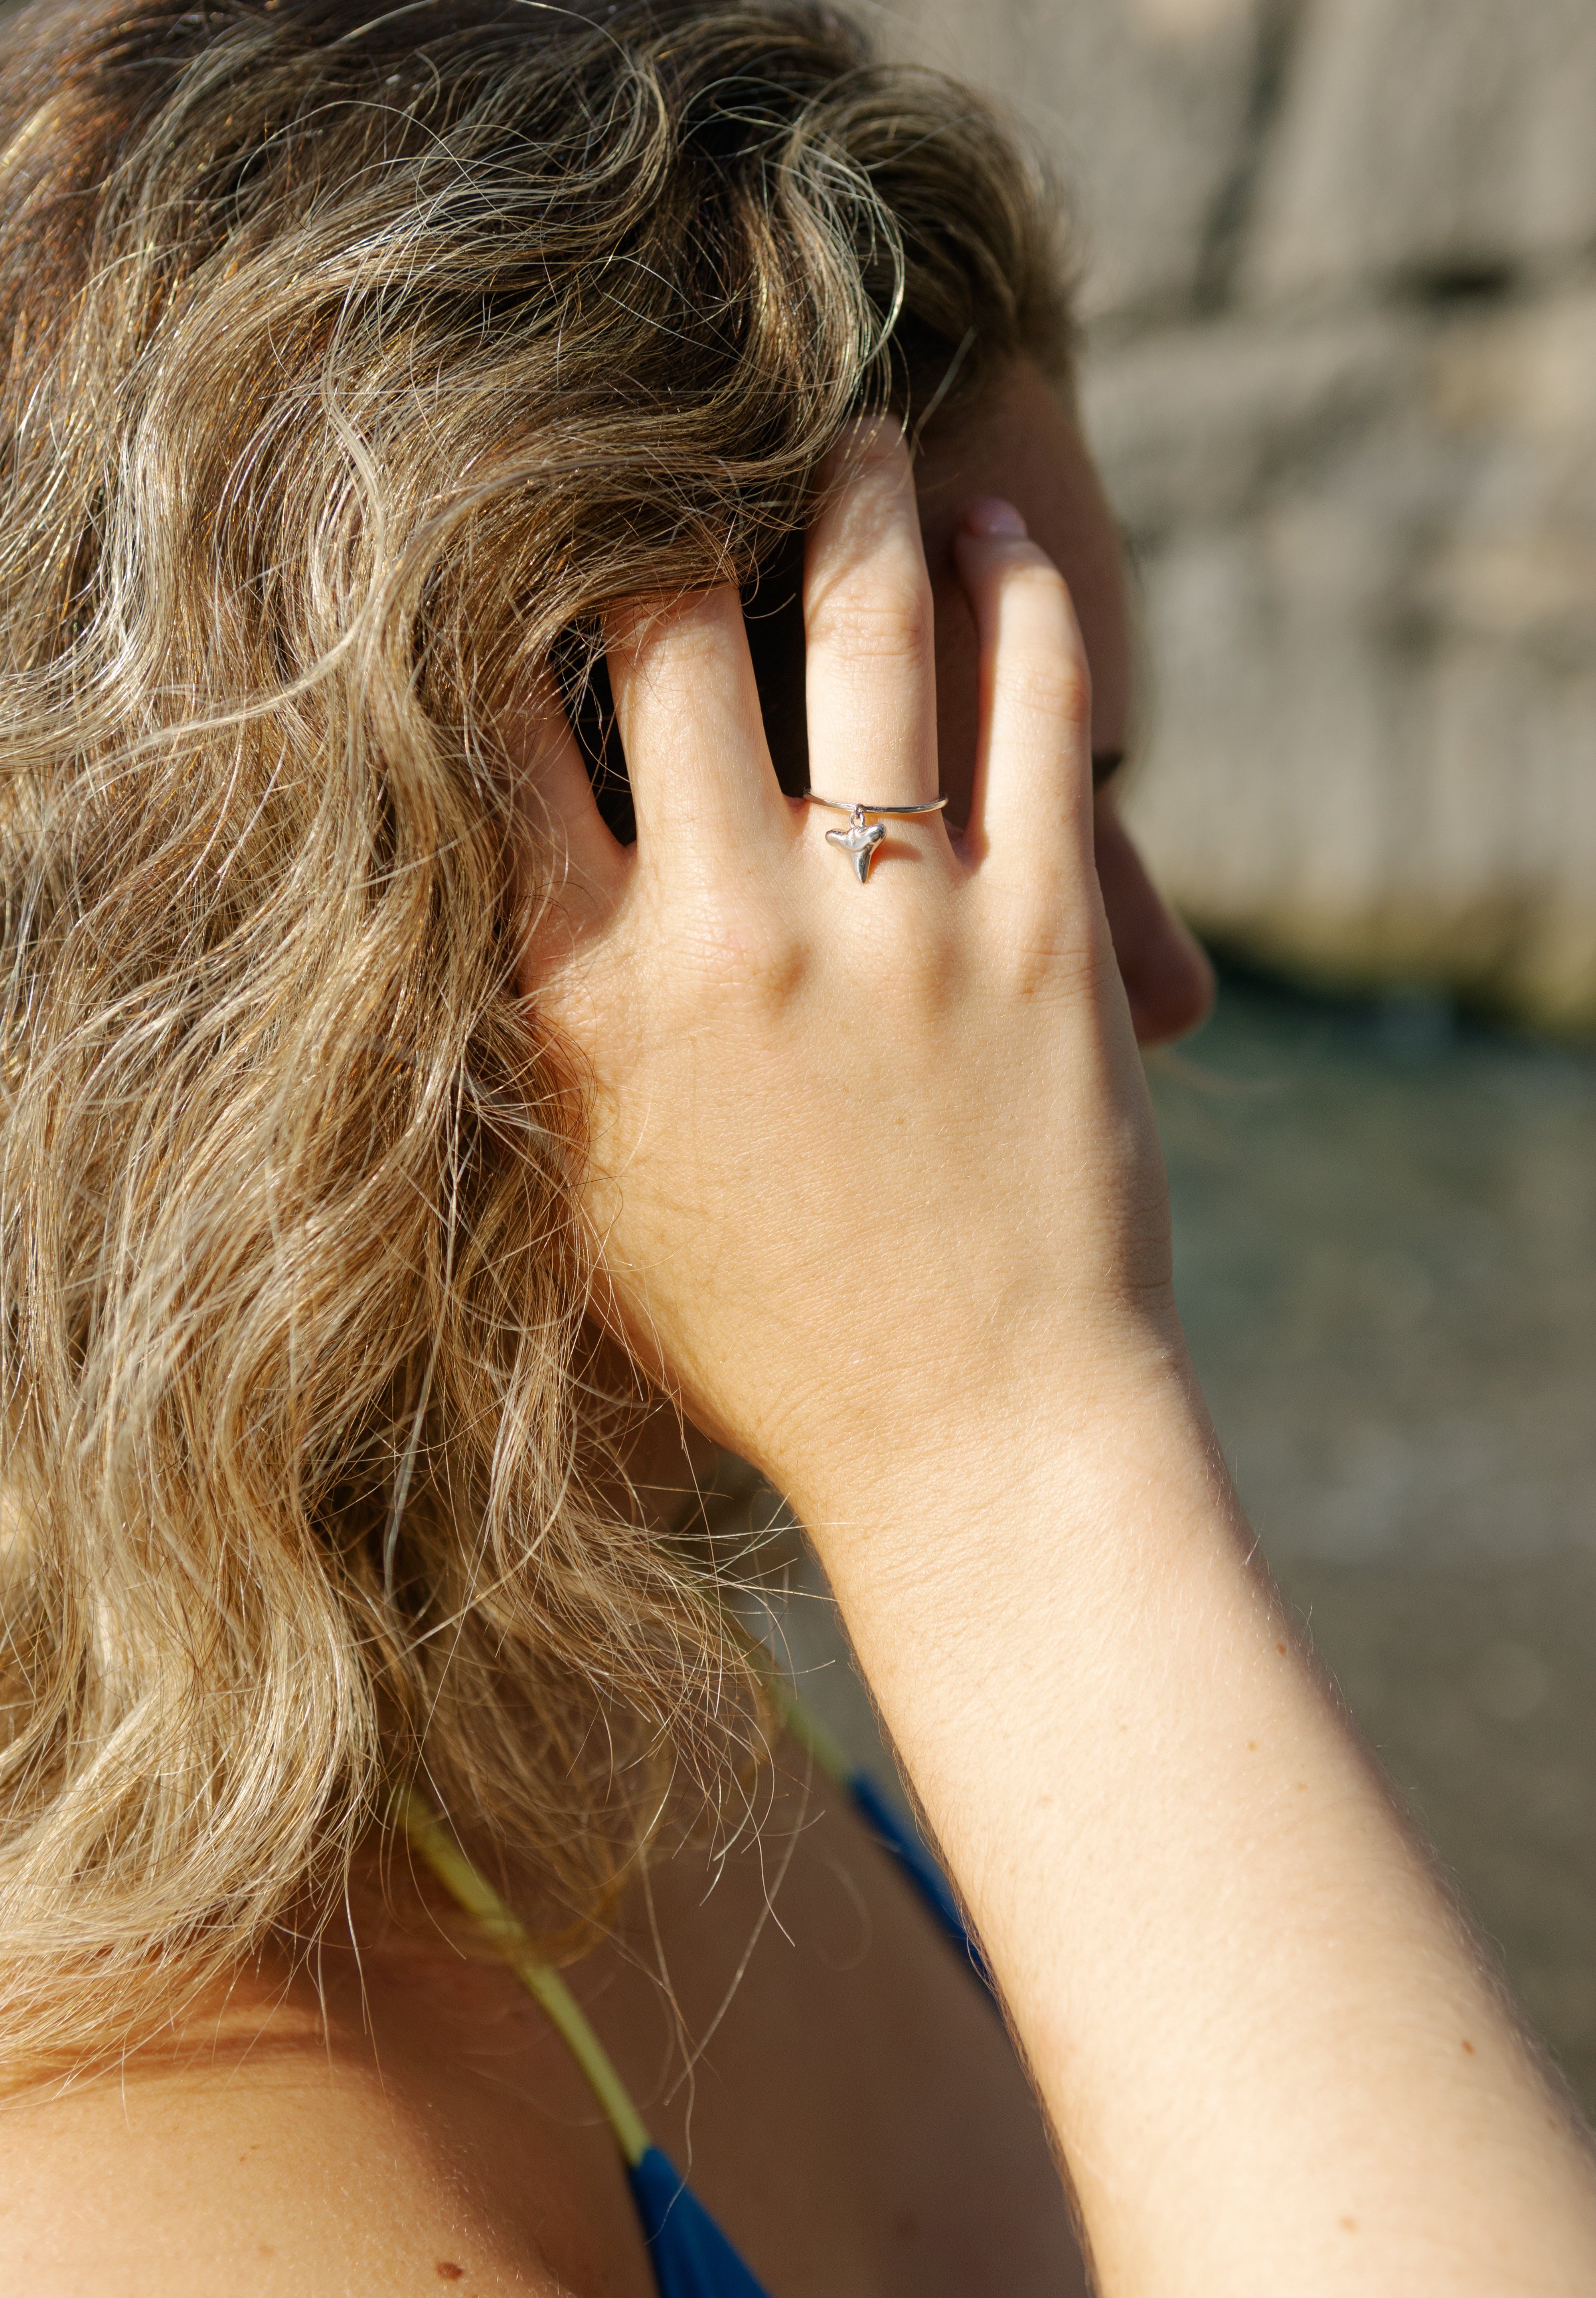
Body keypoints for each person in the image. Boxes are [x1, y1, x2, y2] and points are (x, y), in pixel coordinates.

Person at [2, 0, 1594, 2291]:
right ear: (411, 964)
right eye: (998, 845)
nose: (1144, 988)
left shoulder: (598, 1697)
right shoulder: (139, 2176)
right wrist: (1014, 1456)